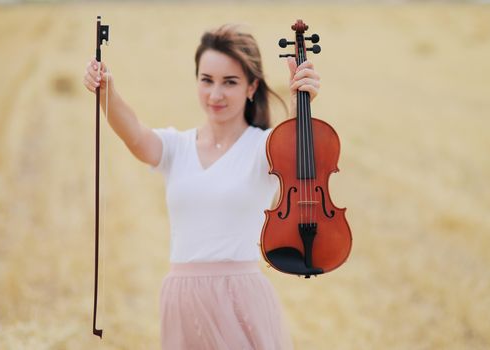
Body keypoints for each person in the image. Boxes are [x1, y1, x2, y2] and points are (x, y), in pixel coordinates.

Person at [82, 24, 320, 350]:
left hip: (241, 302)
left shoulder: (265, 146)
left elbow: (295, 155)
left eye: (230, 82)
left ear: (252, 87)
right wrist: (106, 91)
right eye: (206, 80)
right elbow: (136, 136)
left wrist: (300, 102)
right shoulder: (176, 147)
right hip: (181, 301)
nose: (215, 94)